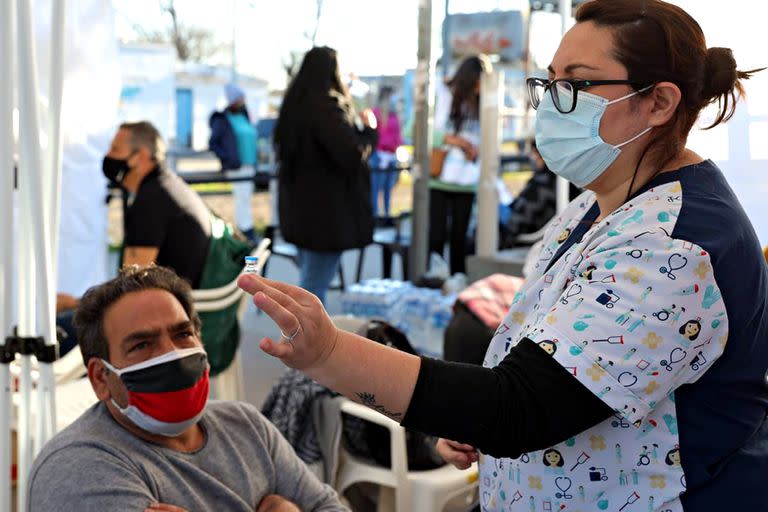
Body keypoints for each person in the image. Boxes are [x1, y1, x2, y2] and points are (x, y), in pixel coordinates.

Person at [238, 1, 768, 509]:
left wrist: (331, 353)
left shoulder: (675, 246)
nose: (554, 102)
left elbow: (518, 408)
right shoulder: (599, 205)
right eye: (549, 82)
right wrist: (459, 417)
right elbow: (542, 355)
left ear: (658, 101)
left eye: (576, 84)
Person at [27, 265, 346, 512]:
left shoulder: (246, 426)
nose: (171, 354)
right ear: (100, 378)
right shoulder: (79, 469)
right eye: (142, 344)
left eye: (182, 334)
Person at [273, 46, 377, 304]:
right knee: (313, 290)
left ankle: (303, 340)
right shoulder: (327, 107)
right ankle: (303, 342)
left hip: (300, 211)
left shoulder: (293, 107)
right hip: (326, 216)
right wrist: (370, 131)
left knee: (311, 280)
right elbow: (351, 152)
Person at [103, 121, 211, 288]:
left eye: (115, 149)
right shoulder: (169, 183)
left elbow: (132, 285)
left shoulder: (150, 201)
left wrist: (76, 302)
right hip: (185, 297)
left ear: (142, 156)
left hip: (170, 305)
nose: (108, 155)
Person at [429, 55, 491, 275]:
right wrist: (457, 141)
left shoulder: (484, 103)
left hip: (467, 182)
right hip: (439, 179)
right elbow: (415, 131)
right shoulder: (444, 95)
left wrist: (475, 150)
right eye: (477, 82)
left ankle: (457, 285)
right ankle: (433, 283)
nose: (479, 88)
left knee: (460, 240)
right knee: (435, 238)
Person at [498, 141, 581, 248]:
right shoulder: (566, 180)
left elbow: (519, 222)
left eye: (534, 153)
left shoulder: (541, 184)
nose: (531, 157)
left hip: (526, 238)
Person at [209, 83, 258, 241]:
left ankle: (245, 231)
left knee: (246, 199)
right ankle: (246, 233)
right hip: (236, 167)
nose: (243, 101)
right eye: (240, 98)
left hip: (249, 165)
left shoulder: (244, 117)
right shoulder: (223, 119)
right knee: (242, 199)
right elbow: (213, 142)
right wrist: (227, 157)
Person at [370, 86, 403, 217]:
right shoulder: (376, 113)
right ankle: (375, 214)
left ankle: (387, 213)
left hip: (392, 156)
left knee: (389, 188)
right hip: (379, 155)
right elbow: (373, 136)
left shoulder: (394, 115)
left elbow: (398, 135)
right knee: (376, 188)